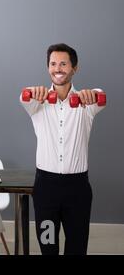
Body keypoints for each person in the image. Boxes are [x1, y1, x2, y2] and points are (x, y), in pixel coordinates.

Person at [20, 43, 106, 255]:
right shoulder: (36, 103)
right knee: (48, 247)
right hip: (45, 189)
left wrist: (92, 93)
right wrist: (33, 91)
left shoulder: (87, 105)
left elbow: (101, 96)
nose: (57, 68)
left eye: (63, 64)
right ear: (48, 67)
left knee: (76, 248)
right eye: (53, 64)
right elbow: (22, 97)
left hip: (77, 189)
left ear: (74, 68)